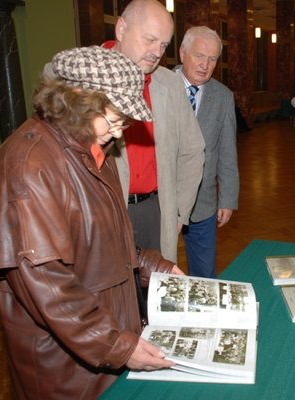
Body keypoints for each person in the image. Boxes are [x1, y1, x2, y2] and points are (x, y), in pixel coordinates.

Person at [0, 46, 183, 399]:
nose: (119, 133)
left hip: (98, 342)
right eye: (115, 119)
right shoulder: (27, 168)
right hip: (65, 367)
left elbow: (99, 240)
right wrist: (116, 345)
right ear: (77, 100)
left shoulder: (87, 148)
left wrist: (153, 265)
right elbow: (47, 284)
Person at [105, 0, 205, 263]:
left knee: (155, 297)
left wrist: (178, 213)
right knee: (113, 299)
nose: (156, 52)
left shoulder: (170, 84)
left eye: (163, 45)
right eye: (149, 39)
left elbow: (193, 151)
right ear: (121, 28)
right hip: (104, 214)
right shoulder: (82, 78)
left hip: (156, 211)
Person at [174, 26, 239, 278]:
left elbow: (226, 151)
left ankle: (201, 317)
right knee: (158, 272)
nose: (205, 65)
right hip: (161, 202)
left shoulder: (223, 96)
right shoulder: (159, 87)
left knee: (204, 275)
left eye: (212, 59)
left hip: (204, 201)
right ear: (182, 53)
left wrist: (228, 198)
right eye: (199, 56)